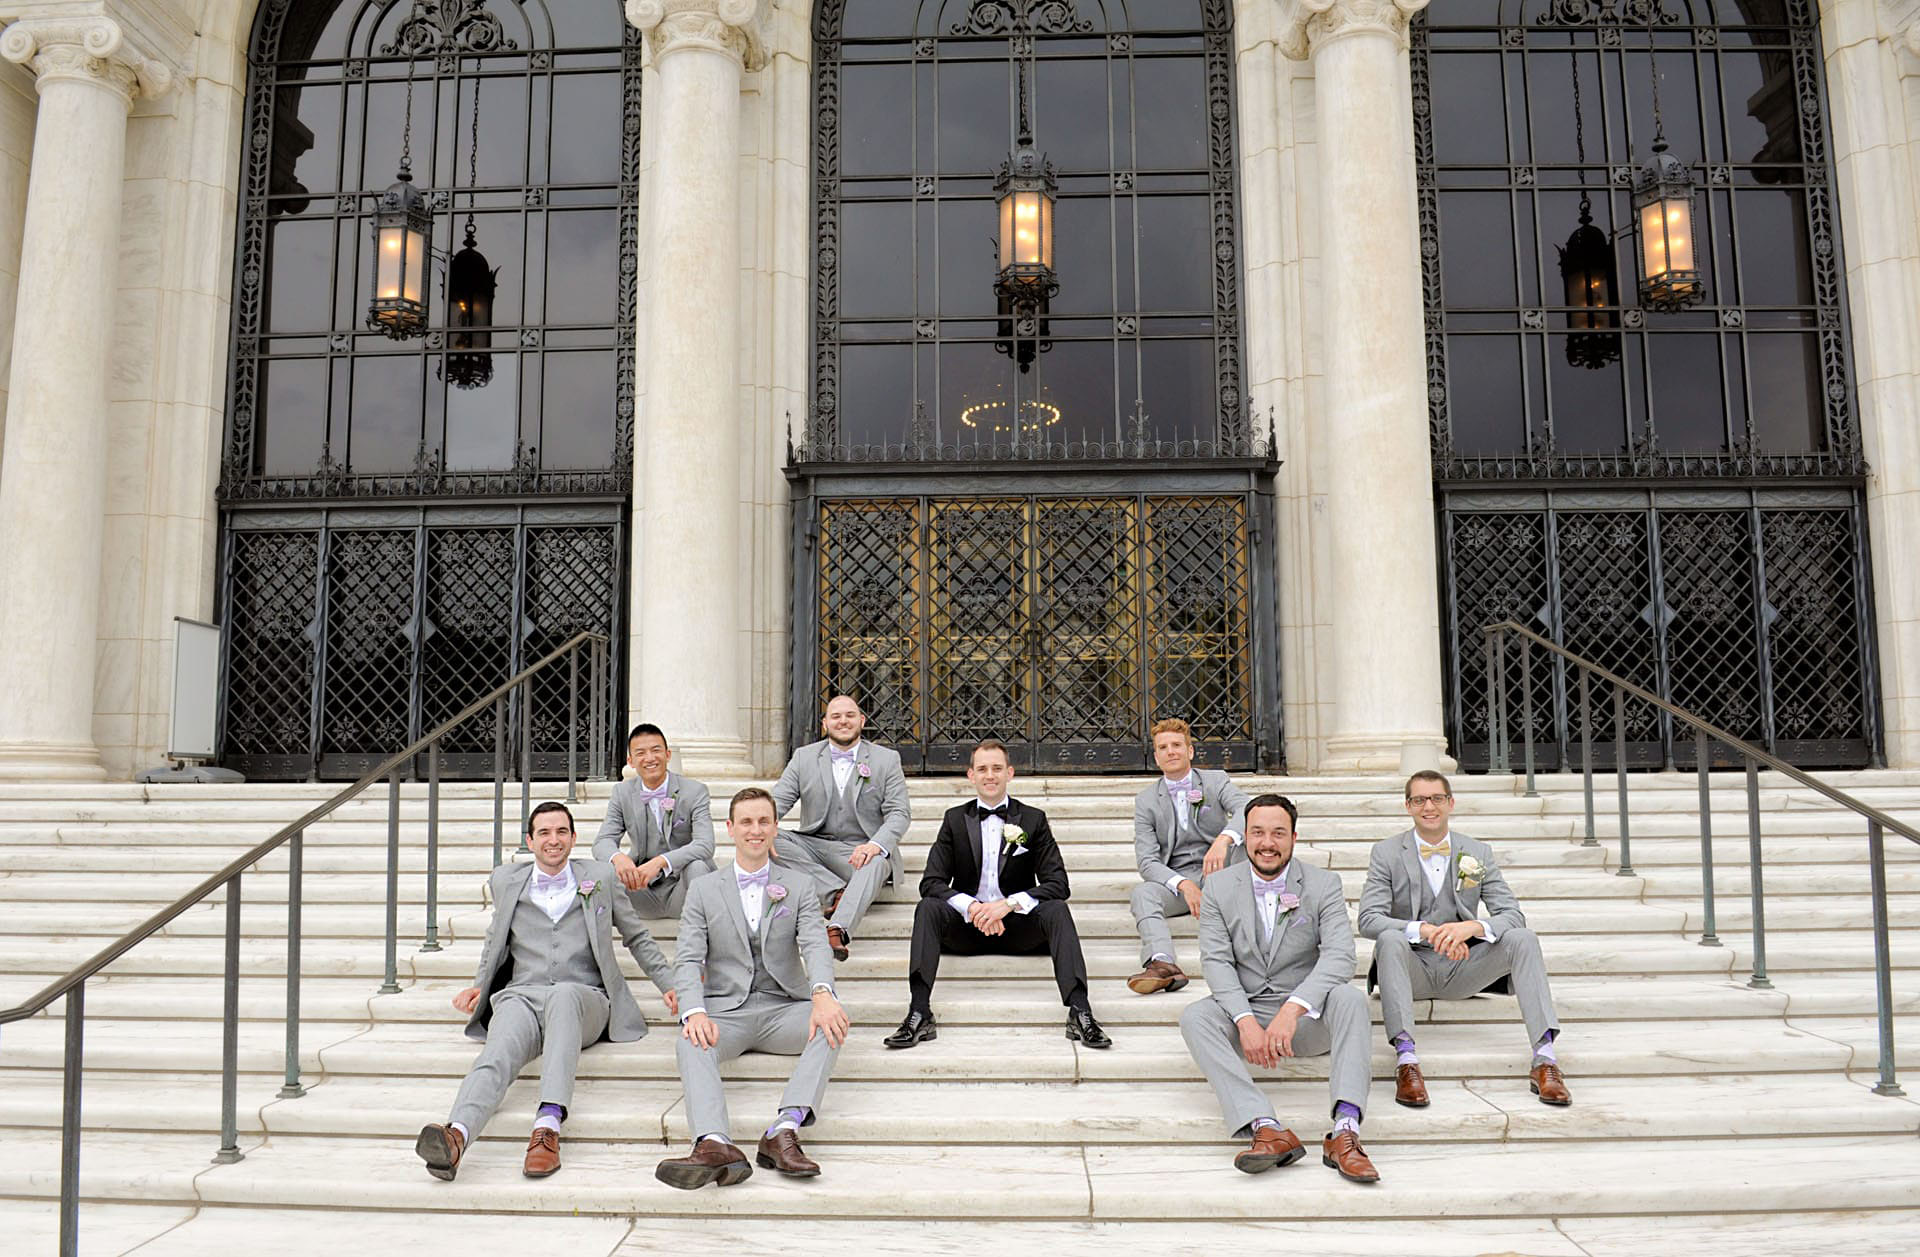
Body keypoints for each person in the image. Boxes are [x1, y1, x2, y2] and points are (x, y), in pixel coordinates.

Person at [416, 802, 677, 1180]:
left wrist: (670, 985)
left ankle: (548, 1128)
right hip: (522, 994)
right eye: (544, 833)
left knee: (565, 995)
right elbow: (494, 940)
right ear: (530, 840)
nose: (553, 840)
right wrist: (479, 984)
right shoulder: (507, 881)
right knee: (498, 1050)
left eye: (560, 832)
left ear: (573, 838)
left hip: (584, 998)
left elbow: (636, 936)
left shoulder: (600, 877)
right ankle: (457, 1134)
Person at [655, 787, 850, 1188]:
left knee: (833, 1023)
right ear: (730, 828)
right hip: (728, 1012)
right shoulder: (705, 889)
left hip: (783, 1007)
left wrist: (823, 994)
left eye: (764, 821)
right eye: (746, 821)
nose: (755, 830)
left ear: (776, 827)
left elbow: (814, 942)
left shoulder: (797, 885)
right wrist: (693, 1010)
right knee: (689, 1041)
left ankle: (783, 1129)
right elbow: (689, 957)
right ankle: (713, 1143)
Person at [1179, 794, 1379, 1183]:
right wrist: (1245, 1021)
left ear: (1293, 837)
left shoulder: (1323, 884)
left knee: (1351, 998)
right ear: (1245, 836)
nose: (1267, 843)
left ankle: (1345, 1132)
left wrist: (1293, 1009)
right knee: (1195, 1016)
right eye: (1257, 832)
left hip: (1305, 1019)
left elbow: (1340, 955)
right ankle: (1265, 1126)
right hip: (1248, 1013)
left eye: (1277, 833)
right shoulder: (1218, 887)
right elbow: (1216, 961)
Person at [1357, 769, 1569, 1109]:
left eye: (1437, 798)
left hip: (1464, 968)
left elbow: (1512, 914)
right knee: (1388, 940)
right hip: (1411, 971)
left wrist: (1470, 929)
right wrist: (1424, 929)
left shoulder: (1477, 852)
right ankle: (1406, 1061)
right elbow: (1368, 919)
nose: (1429, 806)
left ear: (1451, 802)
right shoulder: (1386, 853)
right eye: (1419, 799)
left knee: (1523, 938)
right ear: (1407, 806)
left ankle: (1545, 1059)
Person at [883, 738, 1111, 1051]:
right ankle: (919, 1012)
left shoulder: (1033, 819)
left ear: (1010, 773)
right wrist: (973, 907)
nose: (990, 775)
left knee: (1057, 909)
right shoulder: (954, 819)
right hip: (967, 929)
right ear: (971, 775)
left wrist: (1007, 905)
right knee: (927, 907)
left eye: (997, 769)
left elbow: (1058, 883)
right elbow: (931, 882)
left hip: (1018, 929)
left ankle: (1080, 1011)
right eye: (982, 769)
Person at [769, 694, 910, 960]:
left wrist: (874, 845)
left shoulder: (886, 759)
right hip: (815, 846)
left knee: (879, 861)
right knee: (769, 839)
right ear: (825, 724)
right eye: (836, 716)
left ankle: (837, 929)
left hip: (861, 851)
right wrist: (760, 824)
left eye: (849, 715)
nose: (843, 721)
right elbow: (777, 802)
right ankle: (836, 892)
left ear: (861, 721)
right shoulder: (804, 757)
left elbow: (899, 812)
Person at [1126, 717, 1250, 994]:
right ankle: (1162, 964)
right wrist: (1183, 884)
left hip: (1224, 873)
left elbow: (1248, 808)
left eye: (1177, 745)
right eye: (1163, 747)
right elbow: (1147, 861)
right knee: (1143, 894)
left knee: (1246, 845)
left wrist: (1224, 839)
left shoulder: (1216, 781)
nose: (1171, 751)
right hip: (1182, 880)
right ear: (1156, 757)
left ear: (1190, 751)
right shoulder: (1146, 801)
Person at [591, 722, 716, 916]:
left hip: (683, 888)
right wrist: (619, 858)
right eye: (641, 753)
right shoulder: (622, 792)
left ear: (668, 755)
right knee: (604, 872)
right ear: (630, 761)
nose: (649, 758)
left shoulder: (695, 791)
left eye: (656, 750)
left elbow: (705, 845)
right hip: (641, 888)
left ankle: (702, 937)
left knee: (698, 866)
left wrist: (660, 862)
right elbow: (602, 842)